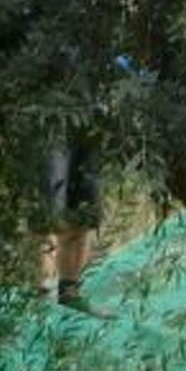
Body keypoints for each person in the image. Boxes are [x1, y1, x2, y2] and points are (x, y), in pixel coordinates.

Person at [39, 126, 107, 314]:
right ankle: (44, 291)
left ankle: (69, 292)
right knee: (51, 207)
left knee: (84, 211)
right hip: (53, 121)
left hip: (90, 123)